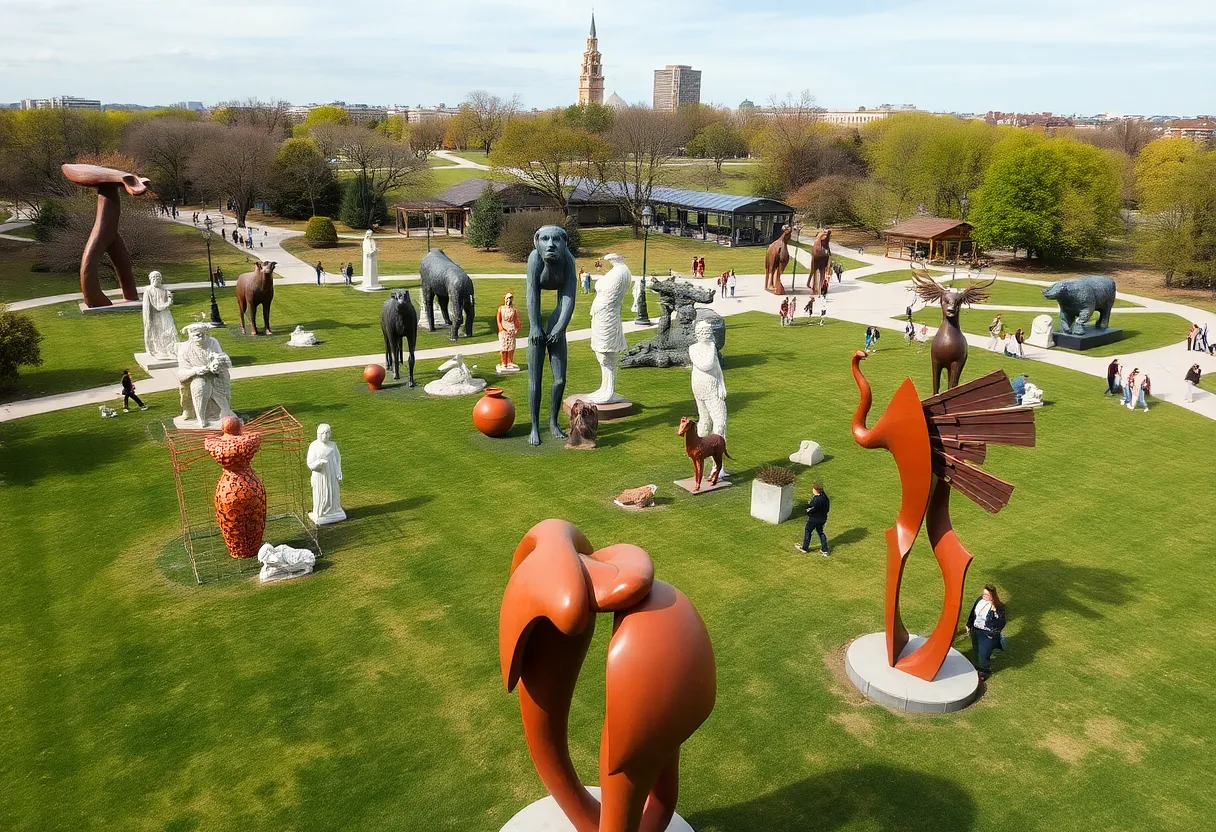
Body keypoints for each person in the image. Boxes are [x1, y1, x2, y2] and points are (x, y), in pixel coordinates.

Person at [966, 584, 1006, 681]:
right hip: (976, 630)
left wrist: (994, 611)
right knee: (976, 649)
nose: (984, 596)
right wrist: (969, 624)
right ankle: (976, 666)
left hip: (987, 633)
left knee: (984, 653)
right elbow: (973, 613)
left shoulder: (998, 607)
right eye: (984, 594)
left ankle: (984, 671)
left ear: (993, 596)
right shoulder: (980, 599)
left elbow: (1001, 623)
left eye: (987, 595)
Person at [795, 482, 831, 556]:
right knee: (821, 532)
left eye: (813, 489)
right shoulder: (825, 498)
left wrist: (807, 512)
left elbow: (811, 508)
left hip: (813, 519)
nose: (812, 490)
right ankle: (825, 550)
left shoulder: (816, 500)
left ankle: (804, 548)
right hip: (822, 519)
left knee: (808, 531)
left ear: (816, 490)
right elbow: (827, 509)